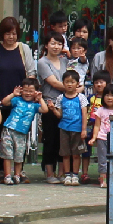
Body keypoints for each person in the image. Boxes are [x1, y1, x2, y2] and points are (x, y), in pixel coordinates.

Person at [35, 33, 71, 184]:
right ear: (46, 45)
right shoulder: (42, 62)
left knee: (63, 140)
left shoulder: (65, 61)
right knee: (50, 139)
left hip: (65, 104)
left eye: (59, 44)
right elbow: (54, 83)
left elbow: (72, 76)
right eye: (53, 43)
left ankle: (62, 173)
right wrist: (74, 89)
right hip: (49, 105)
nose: (56, 46)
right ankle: (50, 172)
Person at [0, 80, 42, 185]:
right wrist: (13, 94)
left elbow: (44, 110)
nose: (27, 93)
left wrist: (40, 99)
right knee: (7, 154)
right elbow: (4, 102)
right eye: (25, 90)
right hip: (9, 129)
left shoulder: (35, 105)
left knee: (19, 155)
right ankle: (7, 175)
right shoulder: (17, 100)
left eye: (31, 91)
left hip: (22, 133)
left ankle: (17, 175)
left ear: (35, 92)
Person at [56, 70, 88, 185]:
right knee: (65, 153)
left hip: (77, 129)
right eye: (67, 82)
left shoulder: (81, 97)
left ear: (77, 83)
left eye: (72, 82)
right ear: (63, 83)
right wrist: (52, 109)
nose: (69, 84)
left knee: (76, 153)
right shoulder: (60, 98)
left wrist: (84, 129)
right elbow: (59, 114)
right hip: (64, 128)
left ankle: (75, 175)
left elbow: (85, 114)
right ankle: (67, 175)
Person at [90, 87, 113, 184]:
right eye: (107, 95)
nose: (109, 98)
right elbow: (97, 125)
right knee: (102, 159)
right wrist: (94, 137)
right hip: (102, 138)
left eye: (112, 95)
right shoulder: (100, 110)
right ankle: (103, 181)